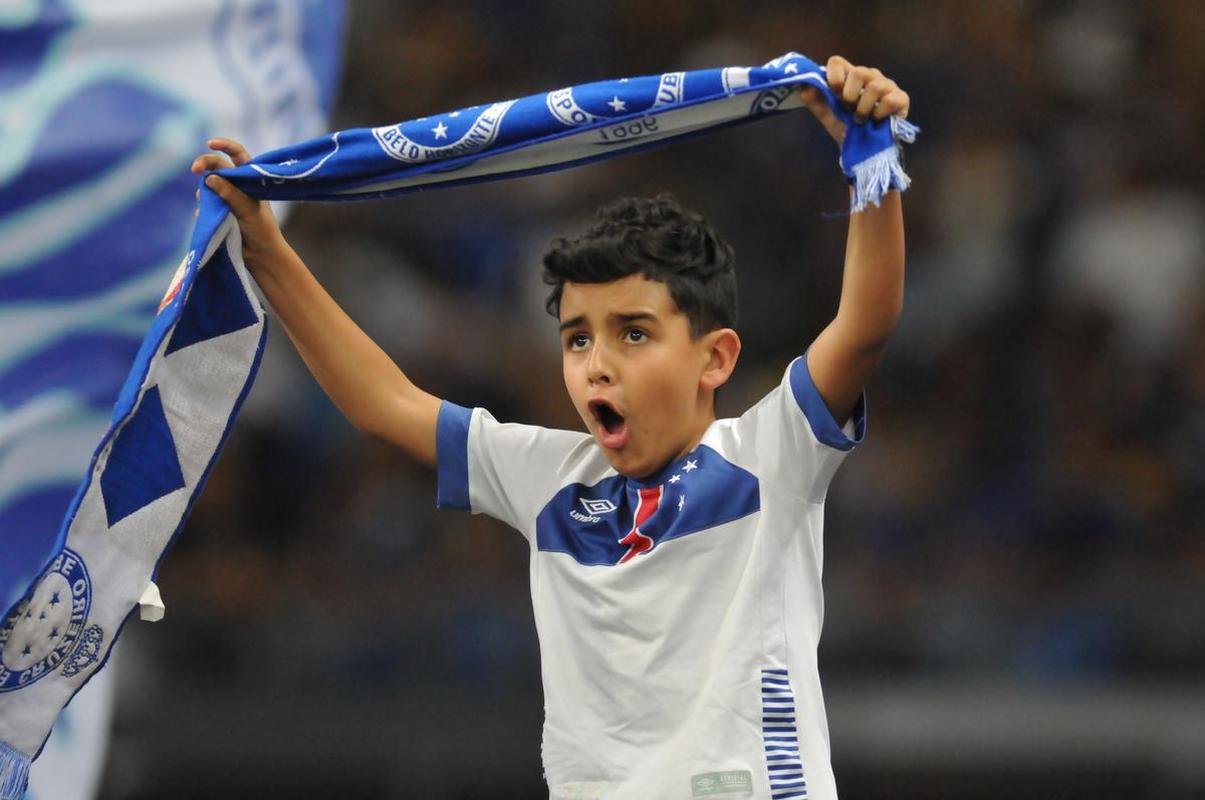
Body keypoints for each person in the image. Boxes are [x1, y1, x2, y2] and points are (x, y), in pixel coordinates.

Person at [192, 54, 909, 800]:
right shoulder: (548, 477)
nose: (596, 365)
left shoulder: (769, 453)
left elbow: (862, 326)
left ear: (714, 358)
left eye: (632, 334)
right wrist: (268, 252)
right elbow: (385, 402)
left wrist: (870, 159)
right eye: (576, 339)